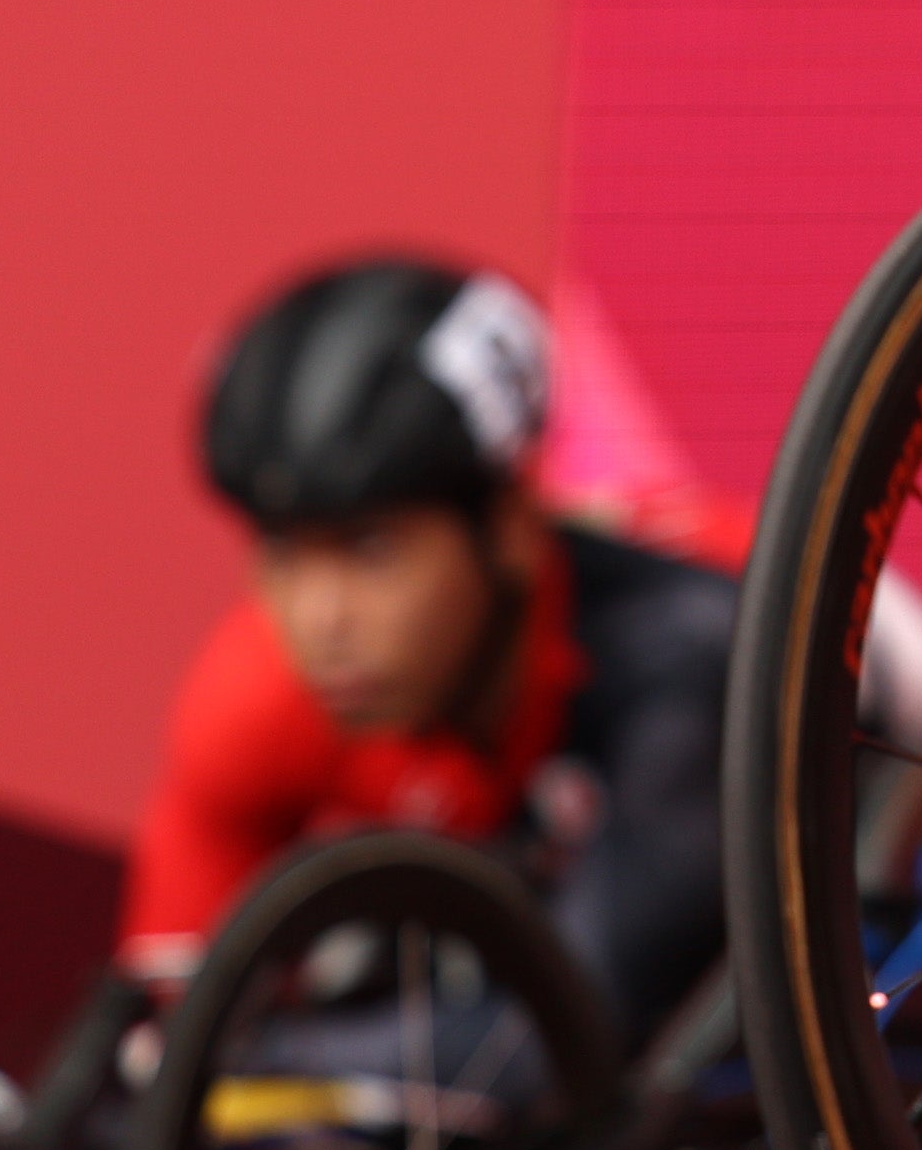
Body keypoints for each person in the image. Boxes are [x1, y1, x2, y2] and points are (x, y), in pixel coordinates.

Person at [125, 258, 738, 1041]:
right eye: (282, 553)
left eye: (371, 550)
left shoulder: (676, 648)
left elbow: (582, 1036)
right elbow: (165, 1036)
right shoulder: (259, 691)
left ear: (512, 526)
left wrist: (256, 1079)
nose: (320, 619)